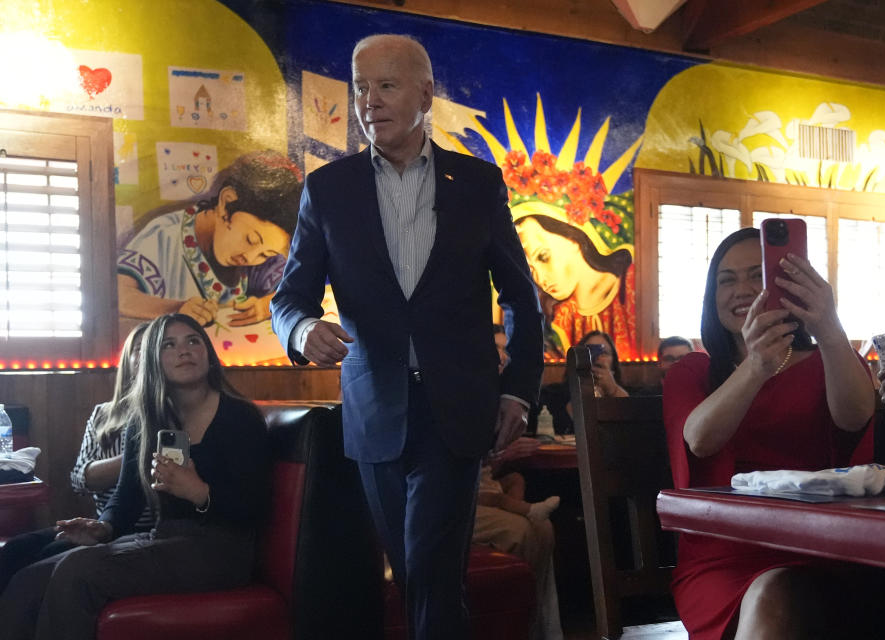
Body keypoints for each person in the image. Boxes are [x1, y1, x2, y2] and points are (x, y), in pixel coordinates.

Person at [269, 34, 544, 640]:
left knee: (430, 564)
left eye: (386, 85)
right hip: (375, 409)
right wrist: (303, 329)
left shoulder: (477, 183)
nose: (369, 100)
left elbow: (522, 296)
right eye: (361, 86)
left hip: (458, 408)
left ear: (425, 94)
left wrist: (519, 391)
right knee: (422, 571)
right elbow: (288, 299)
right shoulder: (329, 189)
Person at [0, 313, 271, 640]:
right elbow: (127, 499)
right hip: (165, 537)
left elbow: (254, 506)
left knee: (76, 573)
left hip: (223, 550)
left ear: (208, 353)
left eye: (193, 341)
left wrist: (199, 492)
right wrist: (103, 528)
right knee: (32, 578)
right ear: (153, 360)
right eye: (169, 345)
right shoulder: (146, 419)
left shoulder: (239, 416)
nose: (185, 351)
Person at [662, 227, 876, 639]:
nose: (742, 289)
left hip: (824, 547)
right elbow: (700, 438)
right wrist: (757, 365)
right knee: (774, 593)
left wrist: (830, 327)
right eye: (727, 280)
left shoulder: (829, 360)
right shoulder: (692, 371)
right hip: (724, 555)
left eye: (756, 275)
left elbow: (855, 416)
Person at [0, 323, 155, 580]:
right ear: (129, 359)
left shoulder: (171, 413)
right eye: (140, 349)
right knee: (15, 549)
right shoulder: (104, 413)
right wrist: (134, 458)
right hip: (104, 520)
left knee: (47, 557)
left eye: (155, 348)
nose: (147, 355)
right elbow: (81, 479)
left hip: (143, 528)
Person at [117, 150, 303, 327]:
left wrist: (266, 305)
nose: (251, 257)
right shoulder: (163, 236)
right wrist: (176, 309)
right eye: (251, 240)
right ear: (227, 202)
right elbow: (119, 295)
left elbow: (300, 288)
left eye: (265, 254)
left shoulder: (263, 257)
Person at [514, 209, 636, 359]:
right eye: (530, 269)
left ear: (572, 239)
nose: (540, 278)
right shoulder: (558, 319)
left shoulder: (629, 284)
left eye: (543, 256)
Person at [474, 438, 563, 640]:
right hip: (451, 501)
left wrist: (499, 455)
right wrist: (502, 454)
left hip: (479, 489)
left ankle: (536, 627)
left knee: (542, 527)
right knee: (520, 531)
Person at [577, 330, 629, 398]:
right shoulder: (564, 391)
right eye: (590, 351)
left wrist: (613, 389)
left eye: (604, 353)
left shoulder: (628, 390)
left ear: (613, 361)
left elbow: (629, 406)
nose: (598, 357)